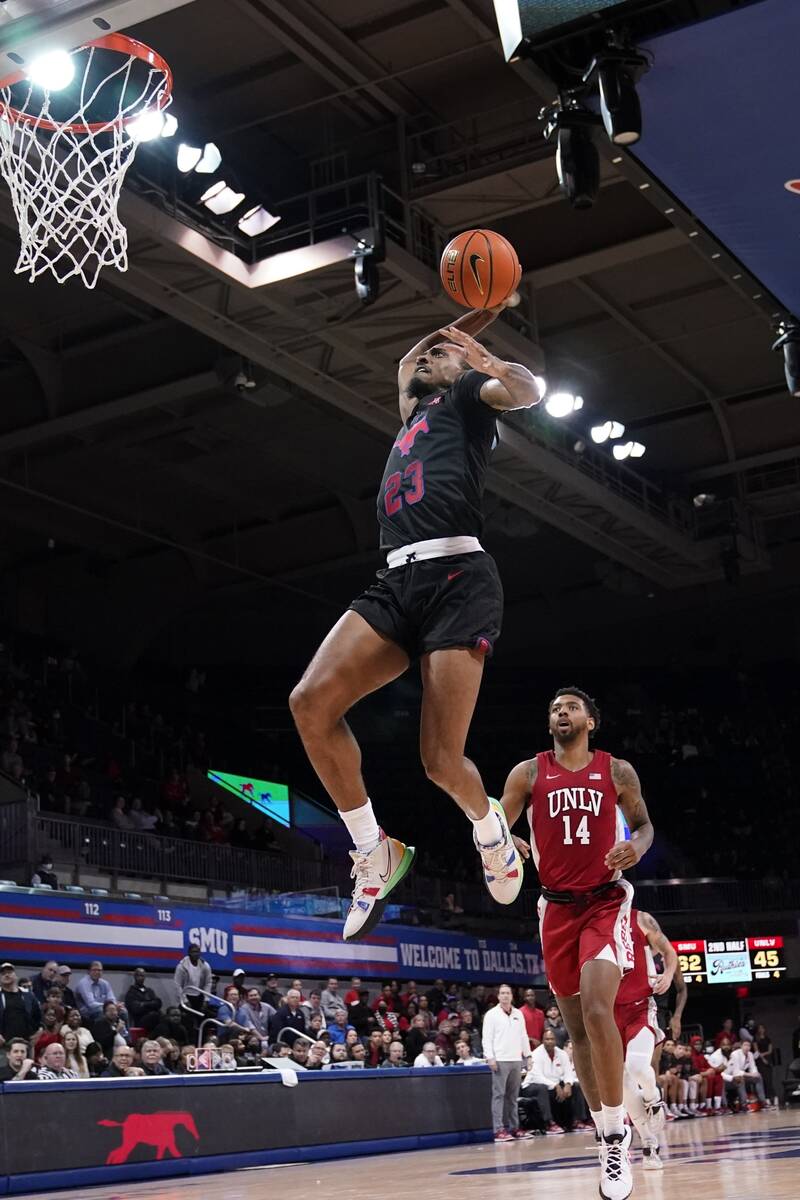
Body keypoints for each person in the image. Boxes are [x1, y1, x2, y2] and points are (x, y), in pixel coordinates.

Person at [288, 305, 542, 943]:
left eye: (442, 354)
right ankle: (373, 851)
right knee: (310, 703)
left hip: (459, 577)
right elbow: (407, 361)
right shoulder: (413, 408)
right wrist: (469, 315)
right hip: (397, 580)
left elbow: (529, 391)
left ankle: (492, 835)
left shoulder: (469, 398)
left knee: (438, 761)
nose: (429, 357)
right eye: (430, 354)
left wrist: (482, 356)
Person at [499, 686, 654, 1200]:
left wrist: (634, 845)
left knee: (595, 1010)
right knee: (578, 1033)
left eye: (569, 707)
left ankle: (615, 1136)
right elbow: (495, 824)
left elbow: (646, 825)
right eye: (553, 709)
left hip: (606, 902)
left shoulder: (616, 771)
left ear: (591, 719)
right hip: (555, 908)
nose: (560, 712)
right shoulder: (528, 773)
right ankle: (605, 1127)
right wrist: (508, 841)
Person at [616, 909, 679, 1170]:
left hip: (640, 1007)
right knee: (623, 1083)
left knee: (637, 1067)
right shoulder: (591, 920)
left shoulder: (640, 919)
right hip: (607, 1013)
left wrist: (666, 975)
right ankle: (649, 1143)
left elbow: (670, 952)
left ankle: (654, 1097)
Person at [482, 982, 533, 1142]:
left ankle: (514, 1127)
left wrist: (528, 1056)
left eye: (508, 993)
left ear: (512, 996)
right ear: (498, 996)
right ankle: (498, 1130)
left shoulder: (518, 1013)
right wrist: (490, 1057)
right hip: (500, 1060)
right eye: (502, 993)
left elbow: (523, 1036)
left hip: (516, 1059)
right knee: (499, 1095)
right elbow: (487, 1038)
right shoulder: (491, 1014)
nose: (505, 995)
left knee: (513, 1096)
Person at [528, 1028, 588, 1132]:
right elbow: (537, 1076)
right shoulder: (536, 1054)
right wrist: (555, 1086)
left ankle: (578, 1120)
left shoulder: (561, 1053)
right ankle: (549, 1123)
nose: (550, 1041)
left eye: (552, 1039)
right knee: (542, 1089)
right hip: (533, 1085)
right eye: (547, 1039)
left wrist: (568, 1084)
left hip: (554, 1084)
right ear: (542, 1040)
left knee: (576, 1086)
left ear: (555, 1040)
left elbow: (568, 1072)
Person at [0, 962, 42, 1045]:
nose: (6, 975)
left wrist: (39, 1031)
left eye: (9, 972)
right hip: (3, 1046)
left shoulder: (28, 995)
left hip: (25, 1044)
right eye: (3, 973)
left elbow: (39, 1018)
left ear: (16, 975)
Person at [174, 943, 211, 1030]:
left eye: (197, 952)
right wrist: (185, 1000)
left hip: (199, 996)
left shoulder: (205, 966)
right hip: (186, 996)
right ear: (189, 953)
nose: (196, 954)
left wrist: (206, 999)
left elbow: (208, 983)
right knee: (188, 1021)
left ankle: (202, 1041)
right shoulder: (181, 966)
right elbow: (177, 985)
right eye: (193, 952)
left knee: (204, 1019)